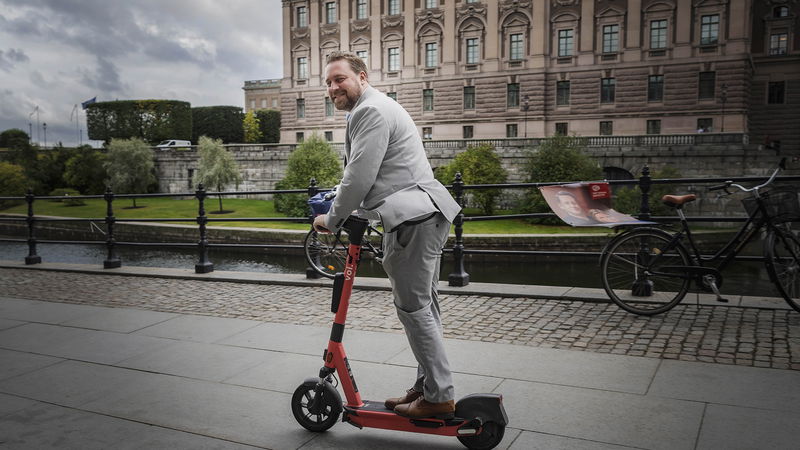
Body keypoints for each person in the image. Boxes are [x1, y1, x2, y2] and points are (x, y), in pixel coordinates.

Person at [313, 51, 462, 419]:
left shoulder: (370, 111)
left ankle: (439, 395)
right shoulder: (377, 107)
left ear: (361, 77)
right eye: (328, 82)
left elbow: (360, 178)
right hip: (424, 214)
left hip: (414, 220)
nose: (333, 87)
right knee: (424, 306)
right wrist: (340, 194)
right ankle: (427, 386)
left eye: (339, 79)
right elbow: (373, 170)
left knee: (413, 309)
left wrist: (331, 219)